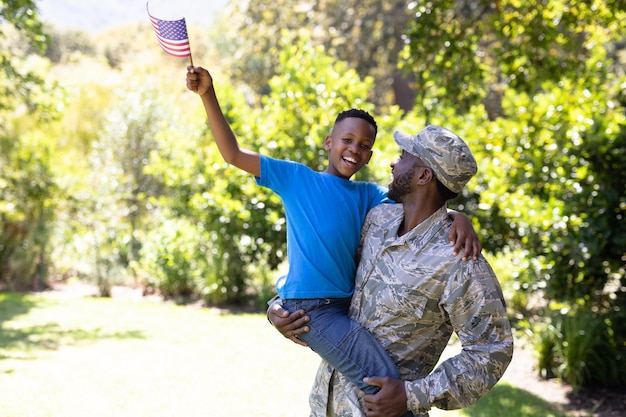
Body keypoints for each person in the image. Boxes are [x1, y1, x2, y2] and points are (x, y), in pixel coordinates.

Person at [185, 66, 481, 396]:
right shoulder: (296, 179)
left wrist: (456, 215)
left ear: (369, 155)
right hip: (313, 308)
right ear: (329, 142)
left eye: (365, 144)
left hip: (344, 308)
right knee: (380, 378)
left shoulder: (368, 195)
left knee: (373, 381)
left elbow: (421, 200)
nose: (355, 148)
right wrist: (207, 94)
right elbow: (233, 154)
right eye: (347, 140)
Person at [269, 125, 514, 417]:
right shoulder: (377, 220)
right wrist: (278, 308)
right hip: (326, 405)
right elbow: (325, 266)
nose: (393, 163)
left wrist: (414, 395)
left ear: (423, 175)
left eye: (403, 156)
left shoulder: (459, 261)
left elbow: (491, 351)